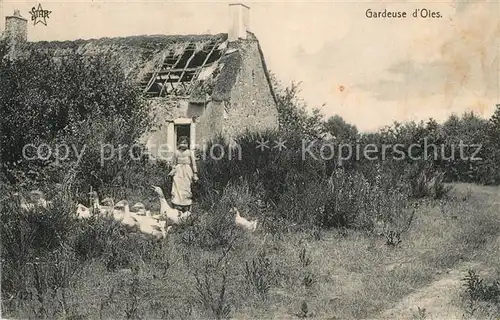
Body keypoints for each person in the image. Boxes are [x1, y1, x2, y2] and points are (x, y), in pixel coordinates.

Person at [168, 136, 198, 211]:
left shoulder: (189, 152)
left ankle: (187, 204)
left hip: (187, 171)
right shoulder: (176, 152)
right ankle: (177, 204)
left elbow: (193, 163)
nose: (183, 145)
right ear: (178, 143)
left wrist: (195, 173)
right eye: (182, 143)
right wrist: (173, 170)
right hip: (178, 171)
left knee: (186, 187)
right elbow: (173, 163)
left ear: (188, 144)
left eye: (185, 143)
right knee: (177, 186)